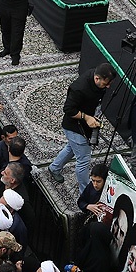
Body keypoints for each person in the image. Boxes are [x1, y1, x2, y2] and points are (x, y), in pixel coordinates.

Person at [48, 63, 115, 194]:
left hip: (84, 125)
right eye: (106, 83)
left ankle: (54, 168)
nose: (108, 87)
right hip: (75, 127)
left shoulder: (96, 78)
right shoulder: (79, 88)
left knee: (71, 148)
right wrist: (87, 117)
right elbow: (68, 109)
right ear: (97, 78)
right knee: (83, 160)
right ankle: (85, 192)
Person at [0, 0, 31, 66]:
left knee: (17, 31)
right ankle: (7, 48)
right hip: (4, 2)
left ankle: (15, 54)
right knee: (4, 28)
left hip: (19, 5)